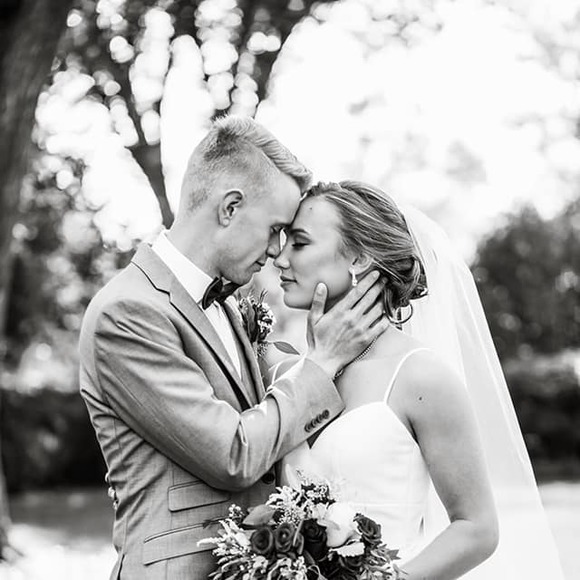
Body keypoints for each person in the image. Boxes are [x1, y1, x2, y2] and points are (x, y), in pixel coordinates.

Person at [78, 119, 388, 580]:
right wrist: (321, 362)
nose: (278, 251)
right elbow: (233, 454)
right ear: (230, 208)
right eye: (275, 228)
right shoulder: (127, 312)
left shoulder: (229, 305)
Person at [275, 180, 565, 579]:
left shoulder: (420, 377)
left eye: (299, 243)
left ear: (359, 257)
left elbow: (477, 529)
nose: (279, 259)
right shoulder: (289, 376)